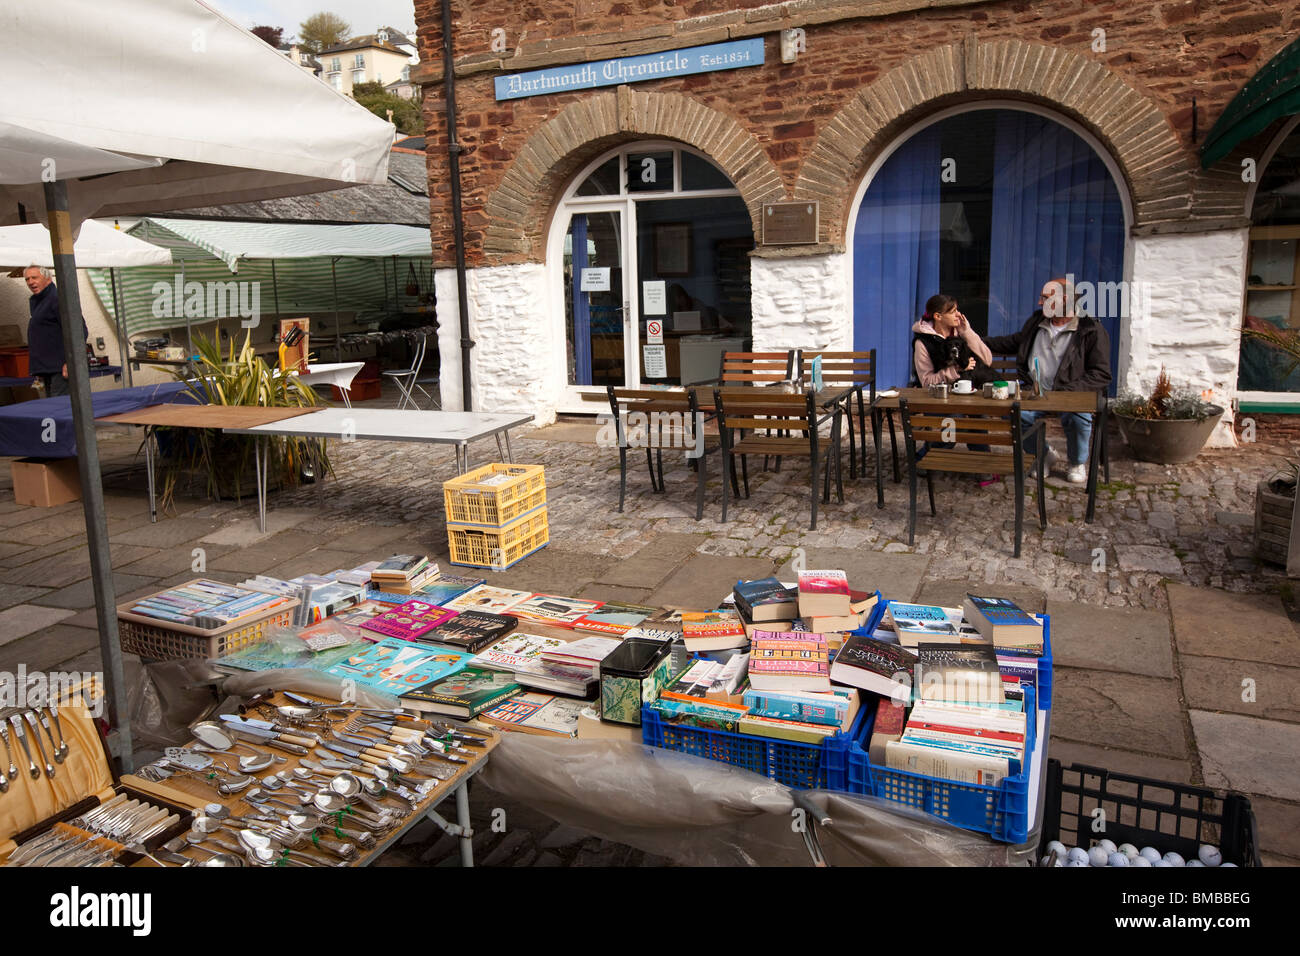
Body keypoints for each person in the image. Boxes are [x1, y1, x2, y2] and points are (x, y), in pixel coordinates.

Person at [984, 277, 1112, 485]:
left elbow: (1101, 373)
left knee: (1078, 417)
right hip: (1035, 392)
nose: (1039, 303)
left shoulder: (1091, 330)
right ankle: (1043, 455)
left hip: (1070, 395)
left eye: (1045, 298)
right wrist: (974, 340)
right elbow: (1012, 342)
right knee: (1014, 413)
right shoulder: (1036, 323)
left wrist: (1067, 393)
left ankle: (1076, 462)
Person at [911, 294, 997, 483]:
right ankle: (930, 458)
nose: (958, 315)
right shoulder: (922, 343)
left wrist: (967, 332)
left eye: (957, 310)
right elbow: (926, 382)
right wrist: (955, 370)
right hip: (936, 400)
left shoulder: (960, 334)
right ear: (937, 316)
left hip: (965, 396)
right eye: (952, 311)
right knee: (954, 419)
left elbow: (987, 359)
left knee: (978, 414)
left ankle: (982, 465)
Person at [24, 265, 87, 399]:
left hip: (61, 369)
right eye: (27, 279)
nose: (30, 282)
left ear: (48, 278)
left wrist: (70, 361)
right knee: (52, 408)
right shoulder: (39, 301)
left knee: (60, 408)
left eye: (34, 278)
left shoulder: (58, 299)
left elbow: (79, 331)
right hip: (47, 369)